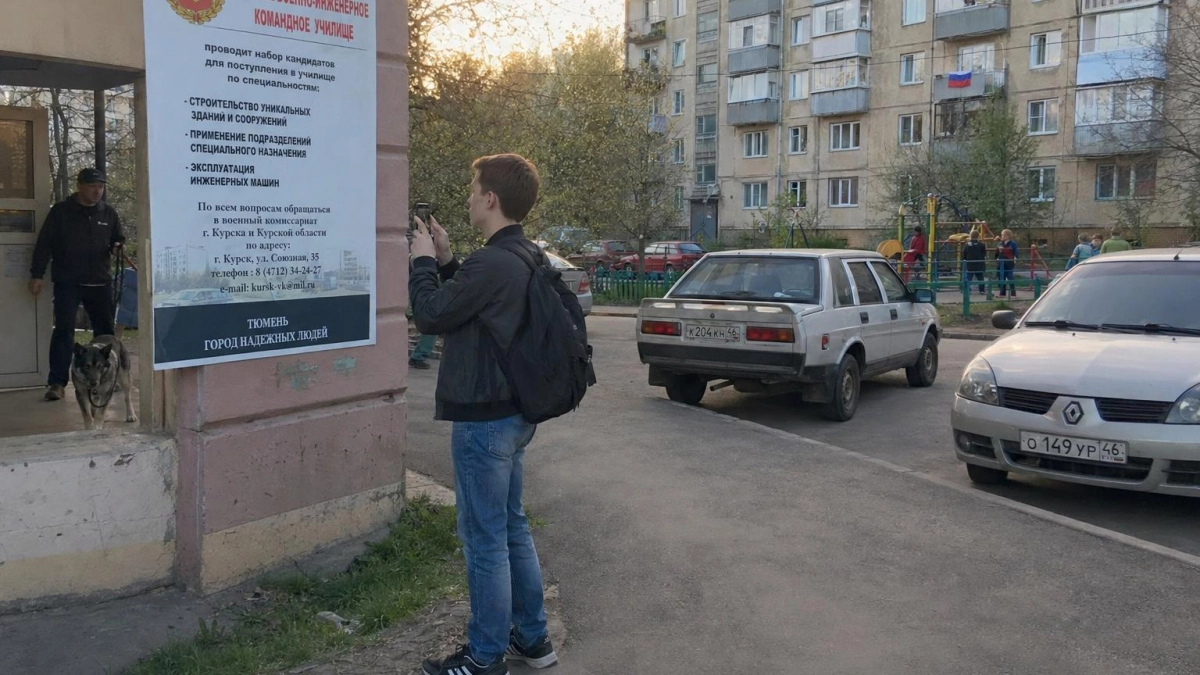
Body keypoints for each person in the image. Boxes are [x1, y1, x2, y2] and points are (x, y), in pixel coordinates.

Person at [410, 154, 558, 675]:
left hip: (484, 420)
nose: (469, 197)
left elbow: (431, 314)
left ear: (491, 199)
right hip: (515, 415)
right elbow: (471, 309)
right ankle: (533, 640)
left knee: (484, 538)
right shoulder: (524, 255)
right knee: (511, 526)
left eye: (474, 189)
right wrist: (448, 258)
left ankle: (484, 655)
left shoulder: (492, 262)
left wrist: (423, 262)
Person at [29, 168, 125, 402]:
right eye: (93, 186)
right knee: (63, 332)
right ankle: (57, 384)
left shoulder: (109, 213)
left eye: (101, 186)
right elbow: (44, 244)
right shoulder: (61, 212)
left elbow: (117, 238)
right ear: (79, 186)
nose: (97, 191)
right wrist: (37, 274)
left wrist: (118, 246)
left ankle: (108, 379)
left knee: (105, 335)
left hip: (100, 282)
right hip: (68, 282)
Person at [995, 229, 1018, 297]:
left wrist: (1015, 259)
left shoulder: (1012, 244)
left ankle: (1013, 293)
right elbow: (996, 253)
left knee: (1010, 277)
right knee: (1001, 277)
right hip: (1000, 262)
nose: (1002, 236)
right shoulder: (1000, 243)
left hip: (1008, 263)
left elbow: (1015, 252)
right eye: (1002, 235)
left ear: (1008, 236)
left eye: (1004, 235)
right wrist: (997, 258)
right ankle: (1002, 293)